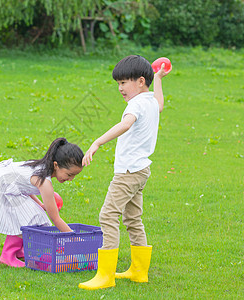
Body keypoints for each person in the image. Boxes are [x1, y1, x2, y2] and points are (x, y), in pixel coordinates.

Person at [78, 55, 171, 290]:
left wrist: (97, 142)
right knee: (132, 219)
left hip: (128, 173)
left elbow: (126, 124)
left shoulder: (136, 105)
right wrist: (158, 79)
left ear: (140, 81)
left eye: (123, 83)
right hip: (141, 171)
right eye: (118, 83)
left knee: (108, 216)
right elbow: (160, 104)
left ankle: (105, 275)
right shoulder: (149, 101)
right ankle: (139, 271)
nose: (120, 89)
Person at [0, 137, 84, 267]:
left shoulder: (40, 167)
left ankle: (20, 250)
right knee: (33, 217)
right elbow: (55, 218)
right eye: (69, 174)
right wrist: (74, 238)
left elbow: (22, 186)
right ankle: (7, 255)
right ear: (56, 165)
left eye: (74, 176)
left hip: (4, 184)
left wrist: (40, 205)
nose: (71, 179)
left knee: (31, 213)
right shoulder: (44, 182)